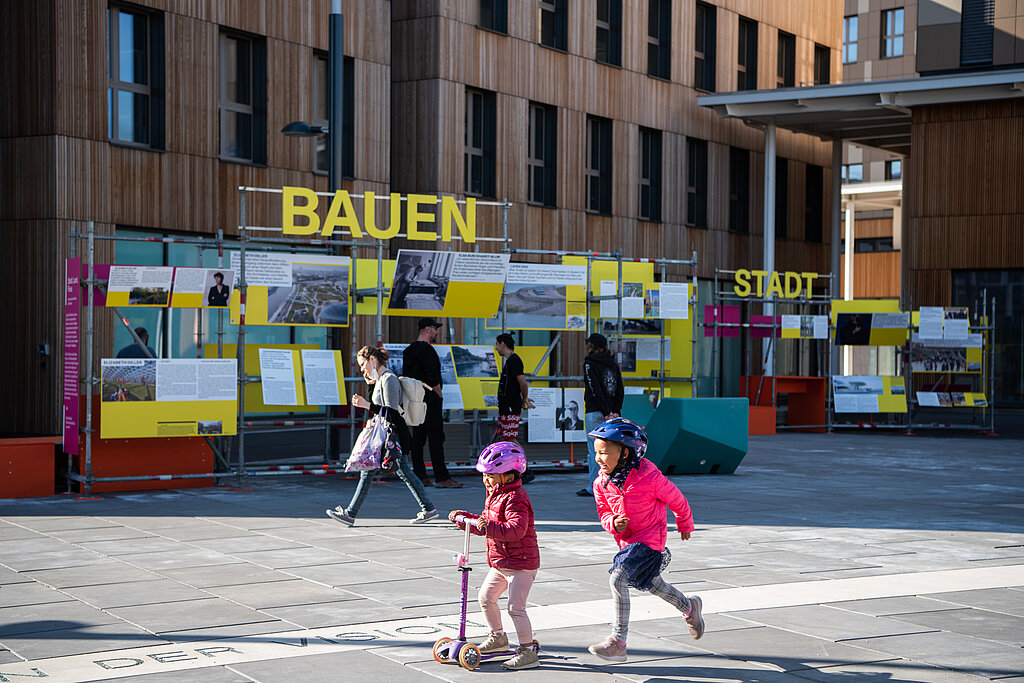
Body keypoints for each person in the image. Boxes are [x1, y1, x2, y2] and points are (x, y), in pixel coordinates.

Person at [586, 417, 703, 663]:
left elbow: (678, 500)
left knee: (618, 578)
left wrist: (684, 523)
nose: (598, 458)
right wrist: (612, 524)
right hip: (627, 544)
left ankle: (618, 641)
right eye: (596, 452)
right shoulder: (601, 483)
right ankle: (690, 608)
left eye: (604, 452)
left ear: (627, 453)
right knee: (654, 585)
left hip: (650, 542)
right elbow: (603, 513)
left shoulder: (650, 477)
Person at [448, 442, 541, 671]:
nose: (486, 480)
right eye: (485, 475)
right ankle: (498, 637)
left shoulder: (516, 498)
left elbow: (516, 530)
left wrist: (488, 526)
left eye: (490, 475)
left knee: (515, 608)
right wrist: (465, 519)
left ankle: (528, 651)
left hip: (521, 564)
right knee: (485, 598)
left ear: (509, 476)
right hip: (501, 563)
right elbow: (484, 525)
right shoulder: (494, 495)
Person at [326, 346, 439, 526]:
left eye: (363, 364)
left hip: (391, 436)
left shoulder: (389, 379)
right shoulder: (381, 380)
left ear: (372, 359)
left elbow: (391, 412)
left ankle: (351, 514)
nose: (362, 369)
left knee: (395, 472)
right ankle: (428, 509)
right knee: (388, 472)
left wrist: (366, 405)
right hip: (386, 436)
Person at [403, 318, 462, 488]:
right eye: (435, 329)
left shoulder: (409, 351)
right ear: (428, 329)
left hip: (414, 400)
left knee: (417, 439)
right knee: (436, 437)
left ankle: (419, 476)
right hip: (430, 400)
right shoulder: (428, 351)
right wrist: (439, 393)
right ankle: (442, 477)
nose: (436, 332)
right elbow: (433, 377)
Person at [578, 332, 623, 497]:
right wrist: (615, 410)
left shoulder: (590, 363)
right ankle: (612, 485)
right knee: (611, 450)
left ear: (592, 346)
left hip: (596, 412)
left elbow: (594, 388)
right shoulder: (612, 363)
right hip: (612, 412)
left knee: (595, 451)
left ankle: (594, 488)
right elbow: (619, 388)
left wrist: (605, 412)